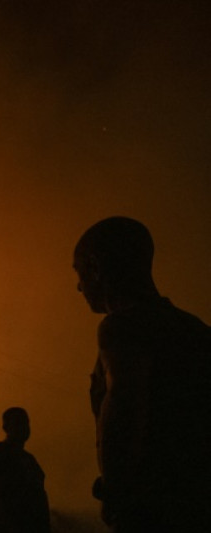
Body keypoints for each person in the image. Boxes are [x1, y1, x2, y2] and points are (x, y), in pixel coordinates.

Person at [75, 216, 211, 531]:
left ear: (95, 267)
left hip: (154, 509)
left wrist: (116, 493)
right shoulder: (197, 330)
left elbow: (124, 406)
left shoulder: (121, 327)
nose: (79, 285)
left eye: (79, 271)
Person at [0, 407, 50, 533]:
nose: (24, 428)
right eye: (18, 423)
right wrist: (9, 525)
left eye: (26, 423)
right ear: (6, 427)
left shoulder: (28, 458)